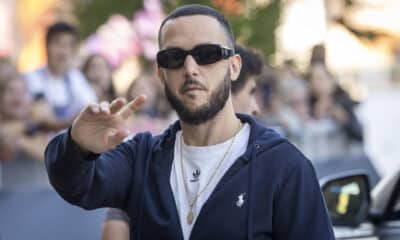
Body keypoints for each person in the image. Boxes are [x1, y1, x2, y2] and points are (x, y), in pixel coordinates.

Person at [45, 4, 335, 240]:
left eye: (207, 54)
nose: (190, 68)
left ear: (233, 67)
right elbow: (76, 185)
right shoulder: (141, 158)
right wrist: (77, 145)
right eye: (174, 57)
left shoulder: (284, 166)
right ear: (161, 74)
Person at [100, 44, 263, 240]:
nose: (256, 108)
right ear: (227, 87)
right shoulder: (149, 159)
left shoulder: (274, 163)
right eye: (251, 93)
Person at [24, 22, 97, 131]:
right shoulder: (31, 77)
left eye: (69, 45)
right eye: (58, 43)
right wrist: (77, 121)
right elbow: (43, 119)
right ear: (46, 46)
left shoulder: (76, 77)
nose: (63, 51)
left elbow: (92, 109)